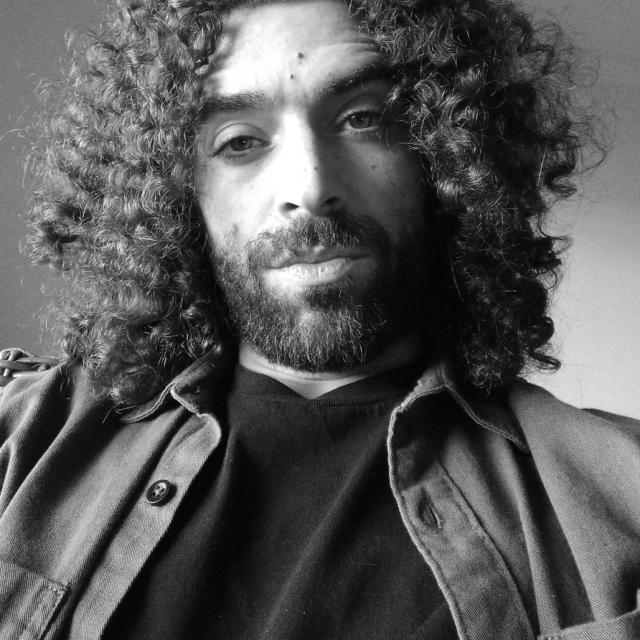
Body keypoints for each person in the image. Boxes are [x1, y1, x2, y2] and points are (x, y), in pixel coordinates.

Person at [0, 0, 638, 638]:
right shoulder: (23, 439)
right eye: (240, 141)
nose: (308, 188)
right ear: (174, 193)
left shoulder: (621, 493)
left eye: (363, 119)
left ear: (445, 155)